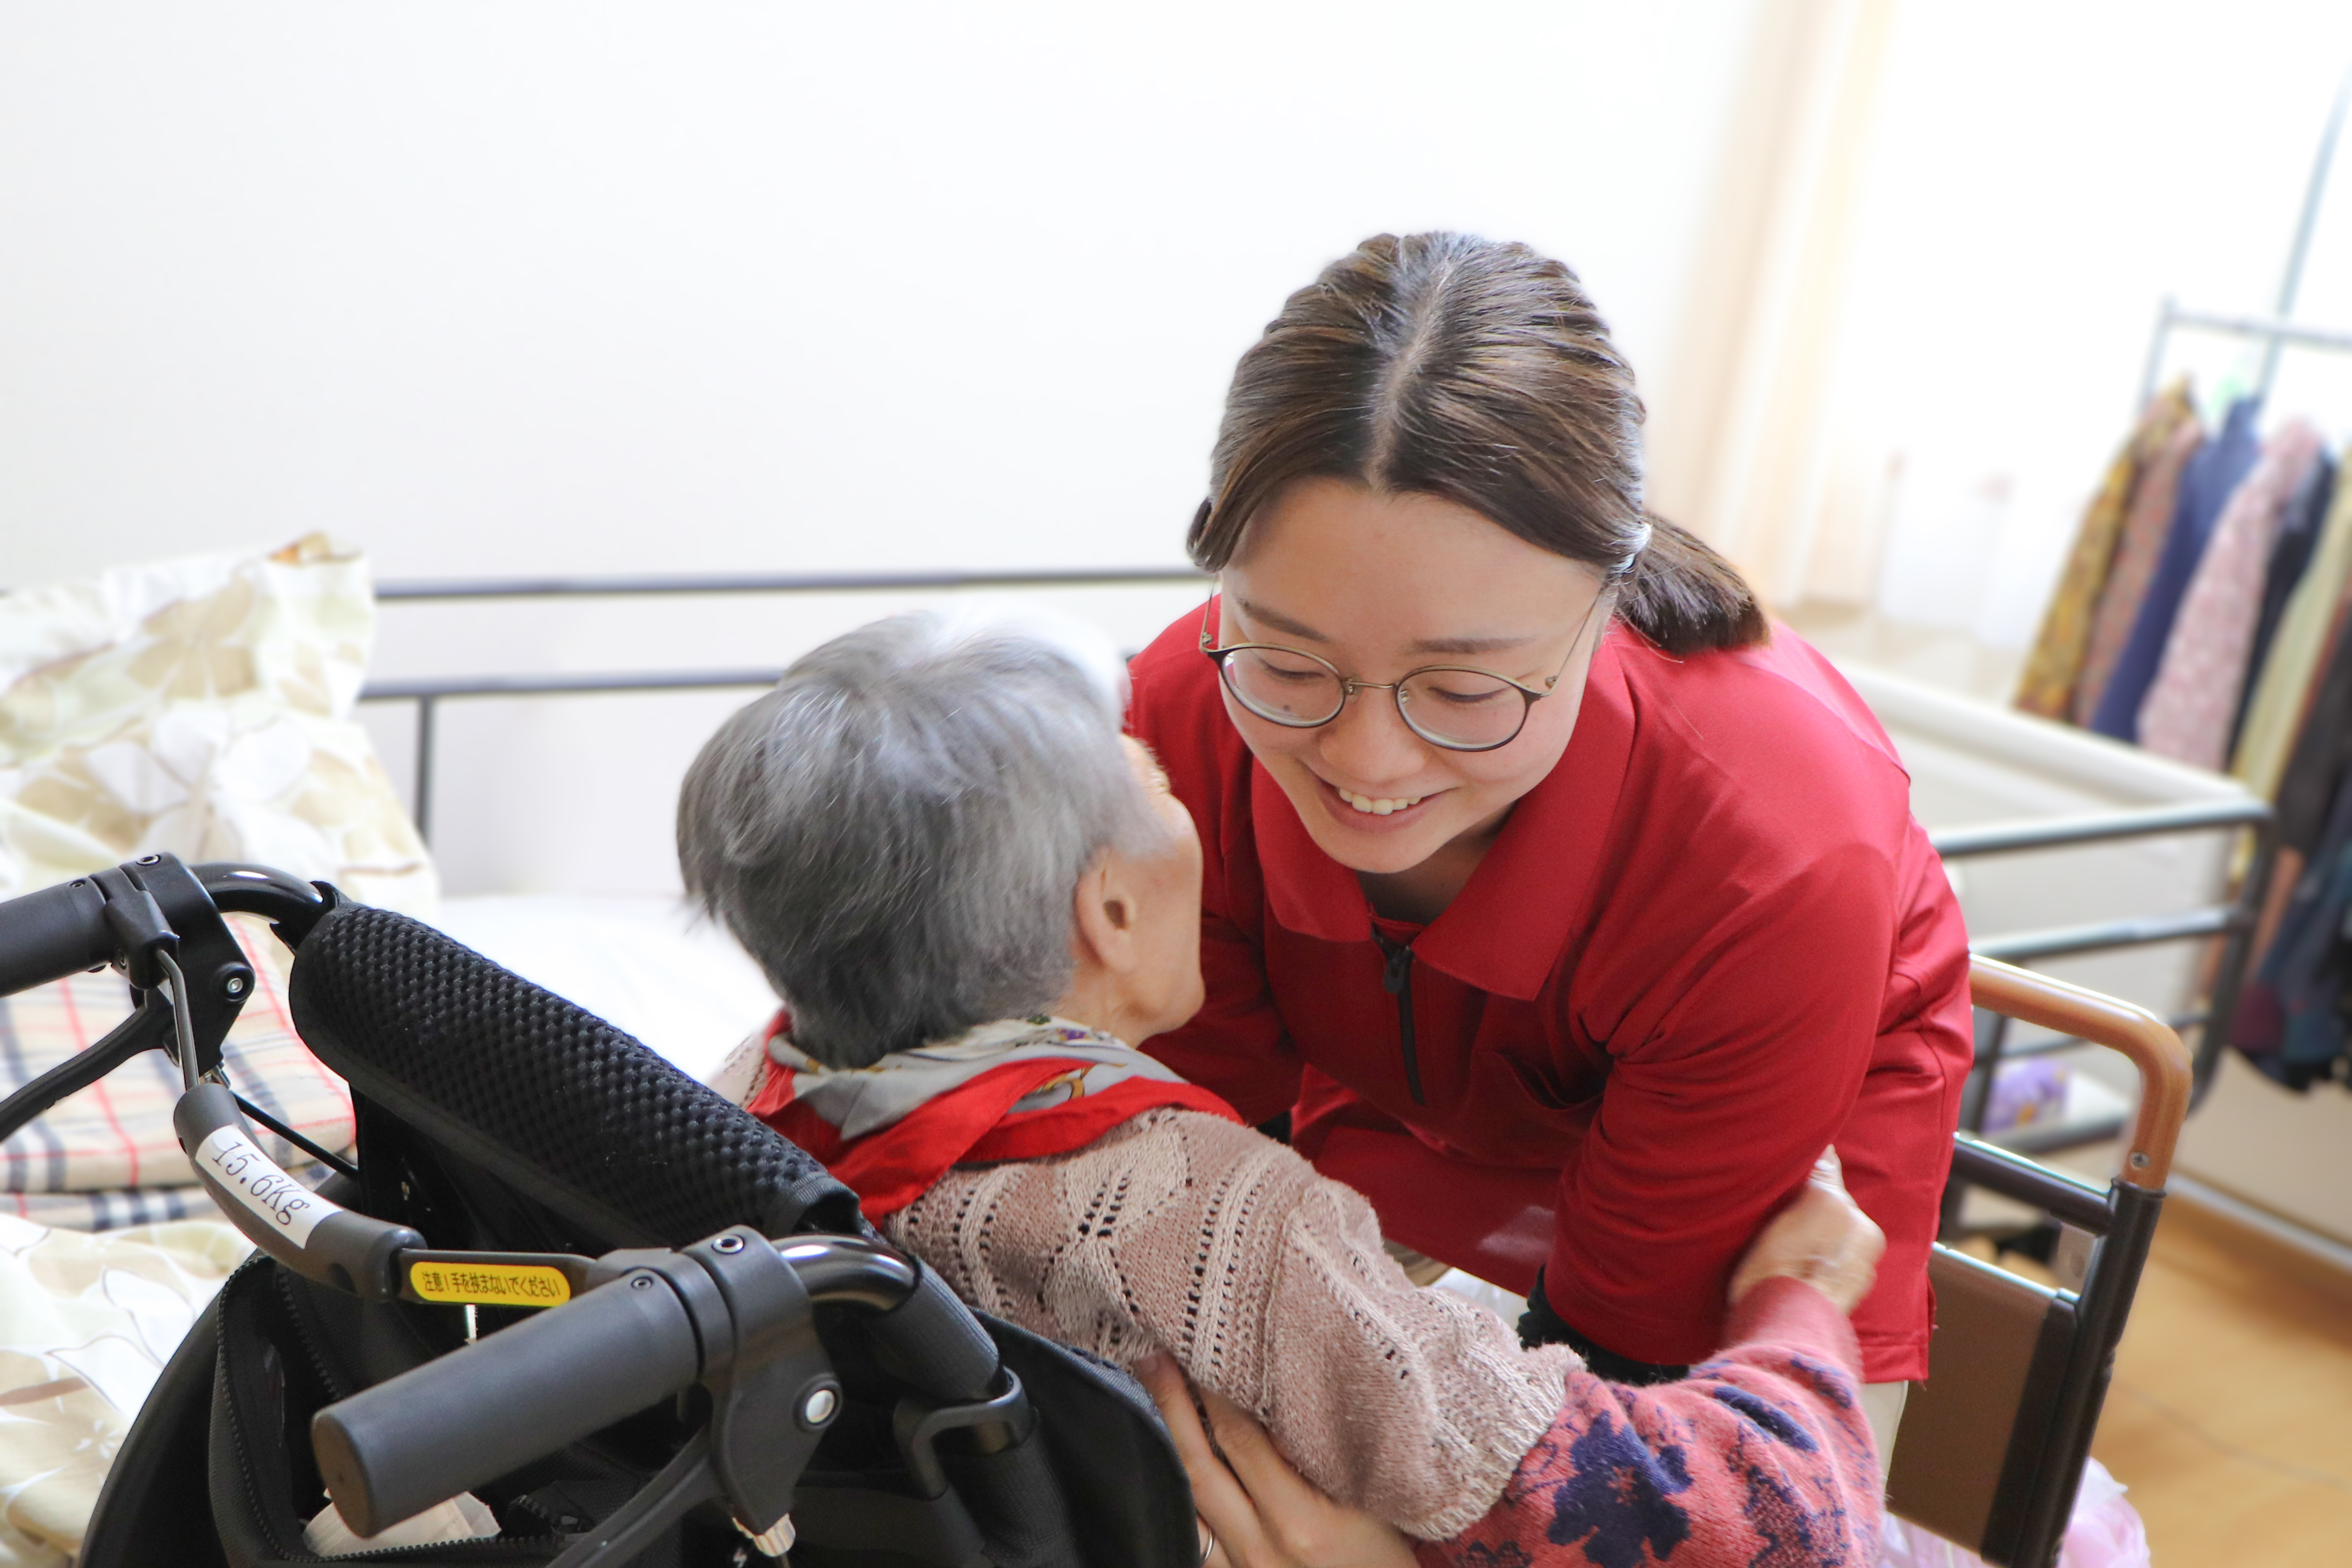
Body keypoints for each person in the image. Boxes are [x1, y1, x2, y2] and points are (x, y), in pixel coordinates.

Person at [684, 610, 1888, 1567]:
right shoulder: (1233, 1229)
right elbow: (1731, 1527)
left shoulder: (725, 1115)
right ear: (1107, 909)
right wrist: (1801, 1301)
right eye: (1158, 780)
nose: (1200, 811)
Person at [1123, 232, 1974, 1487]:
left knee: (1726, 1501)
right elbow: (1195, 1167)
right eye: (1289, 659)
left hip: (1782, 1104)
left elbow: (1621, 1385)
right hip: (1410, 1069)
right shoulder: (1185, 719)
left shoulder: (1769, 856)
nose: (1364, 759)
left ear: (1606, 601)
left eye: (1462, 685)